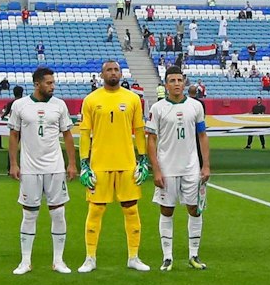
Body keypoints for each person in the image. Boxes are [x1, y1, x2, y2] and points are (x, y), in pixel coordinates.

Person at [77, 59, 147, 271]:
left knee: (131, 210)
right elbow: (84, 133)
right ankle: (90, 258)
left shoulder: (133, 99)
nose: (113, 73)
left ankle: (133, 257)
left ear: (121, 73)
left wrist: (143, 159)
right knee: (96, 210)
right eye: (109, 70)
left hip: (127, 163)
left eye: (116, 69)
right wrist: (84, 163)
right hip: (99, 164)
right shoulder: (91, 100)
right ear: (102, 74)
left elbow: (140, 130)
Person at [9, 66, 77, 274]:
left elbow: (67, 135)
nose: (52, 86)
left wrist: (72, 163)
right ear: (37, 84)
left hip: (55, 167)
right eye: (48, 83)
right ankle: (25, 261)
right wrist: (13, 163)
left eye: (53, 82)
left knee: (58, 213)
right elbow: (13, 135)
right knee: (29, 215)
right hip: (30, 168)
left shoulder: (59, 105)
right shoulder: (20, 105)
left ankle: (58, 261)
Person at [147, 67, 211, 272]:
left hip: (191, 168)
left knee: (195, 209)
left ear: (184, 83)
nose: (176, 83)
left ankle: (193, 255)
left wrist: (206, 165)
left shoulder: (196, 106)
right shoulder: (157, 108)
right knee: (167, 210)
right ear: (166, 85)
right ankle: (167, 257)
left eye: (179, 80)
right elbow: (151, 140)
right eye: (172, 80)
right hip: (167, 168)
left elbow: (202, 136)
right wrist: (156, 170)